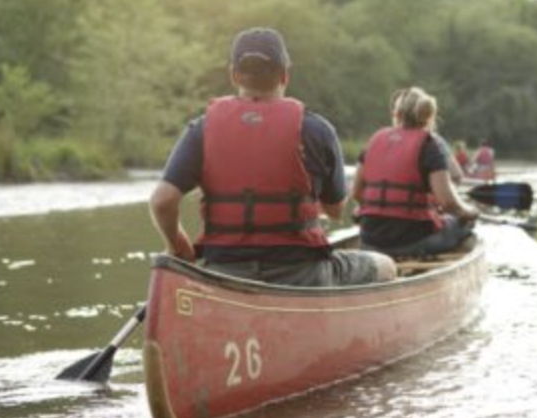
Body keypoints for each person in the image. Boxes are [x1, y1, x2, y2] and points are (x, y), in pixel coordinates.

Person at [149, 27, 396, 286]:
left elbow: (162, 201)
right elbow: (335, 210)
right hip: (302, 274)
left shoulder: (201, 129)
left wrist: (179, 247)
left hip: (224, 273)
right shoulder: (316, 129)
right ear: (285, 75)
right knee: (385, 265)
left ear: (234, 75)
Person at [351, 87, 479, 256]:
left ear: (397, 115)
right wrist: (470, 212)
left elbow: (356, 193)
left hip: (370, 240)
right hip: (412, 241)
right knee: (464, 223)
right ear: (429, 117)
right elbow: (448, 203)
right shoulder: (430, 146)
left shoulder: (374, 141)